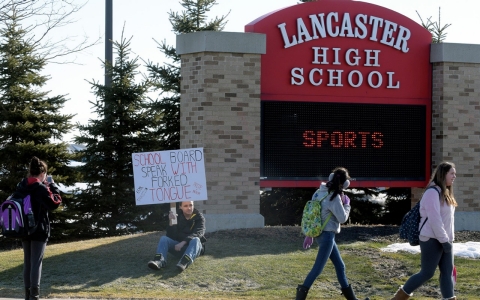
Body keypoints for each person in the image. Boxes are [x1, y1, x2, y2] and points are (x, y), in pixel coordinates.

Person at [296, 167, 369, 300]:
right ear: (345, 184)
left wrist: (309, 234)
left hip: (319, 233)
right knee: (317, 269)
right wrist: (347, 205)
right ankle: (299, 298)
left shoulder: (319, 192)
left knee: (340, 266)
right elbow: (342, 218)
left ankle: (353, 299)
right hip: (327, 235)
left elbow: (313, 214)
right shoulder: (333, 198)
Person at [391, 162, 457, 300]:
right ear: (443, 174)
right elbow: (435, 220)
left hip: (446, 240)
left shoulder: (446, 193)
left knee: (447, 273)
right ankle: (398, 298)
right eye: (452, 173)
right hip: (431, 239)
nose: (454, 176)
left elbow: (447, 220)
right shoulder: (432, 193)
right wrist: (445, 241)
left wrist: (448, 240)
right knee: (427, 273)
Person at [14, 157, 62, 300]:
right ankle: (34, 296)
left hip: (24, 228)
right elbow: (55, 203)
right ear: (42, 174)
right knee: (36, 263)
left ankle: (28, 295)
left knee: (28, 262)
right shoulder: (40, 188)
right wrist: (52, 186)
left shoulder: (22, 185)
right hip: (39, 229)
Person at [148, 201, 206, 272]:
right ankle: (159, 261)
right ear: (180, 207)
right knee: (164, 239)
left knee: (196, 239)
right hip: (179, 248)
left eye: (191, 205)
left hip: (194, 248)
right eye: (185, 206)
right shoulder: (177, 216)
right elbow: (171, 236)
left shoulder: (199, 217)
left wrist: (183, 242)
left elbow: (198, 233)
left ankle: (184, 262)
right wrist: (171, 223)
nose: (189, 208)